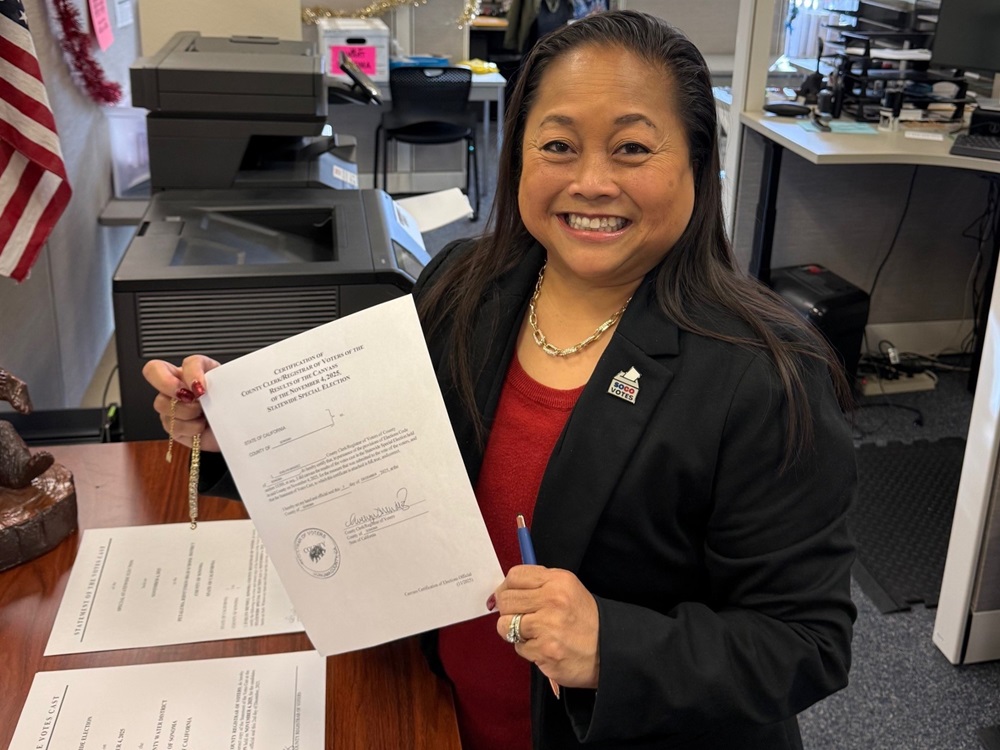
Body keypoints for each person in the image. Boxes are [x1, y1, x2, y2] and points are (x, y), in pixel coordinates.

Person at [143, 10, 857, 749]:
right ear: (518, 156)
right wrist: (236, 430)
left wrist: (615, 647)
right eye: (557, 145)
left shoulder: (765, 373)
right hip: (440, 714)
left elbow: (806, 641)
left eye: (633, 149)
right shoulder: (463, 287)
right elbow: (364, 458)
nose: (590, 182)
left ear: (698, 166)